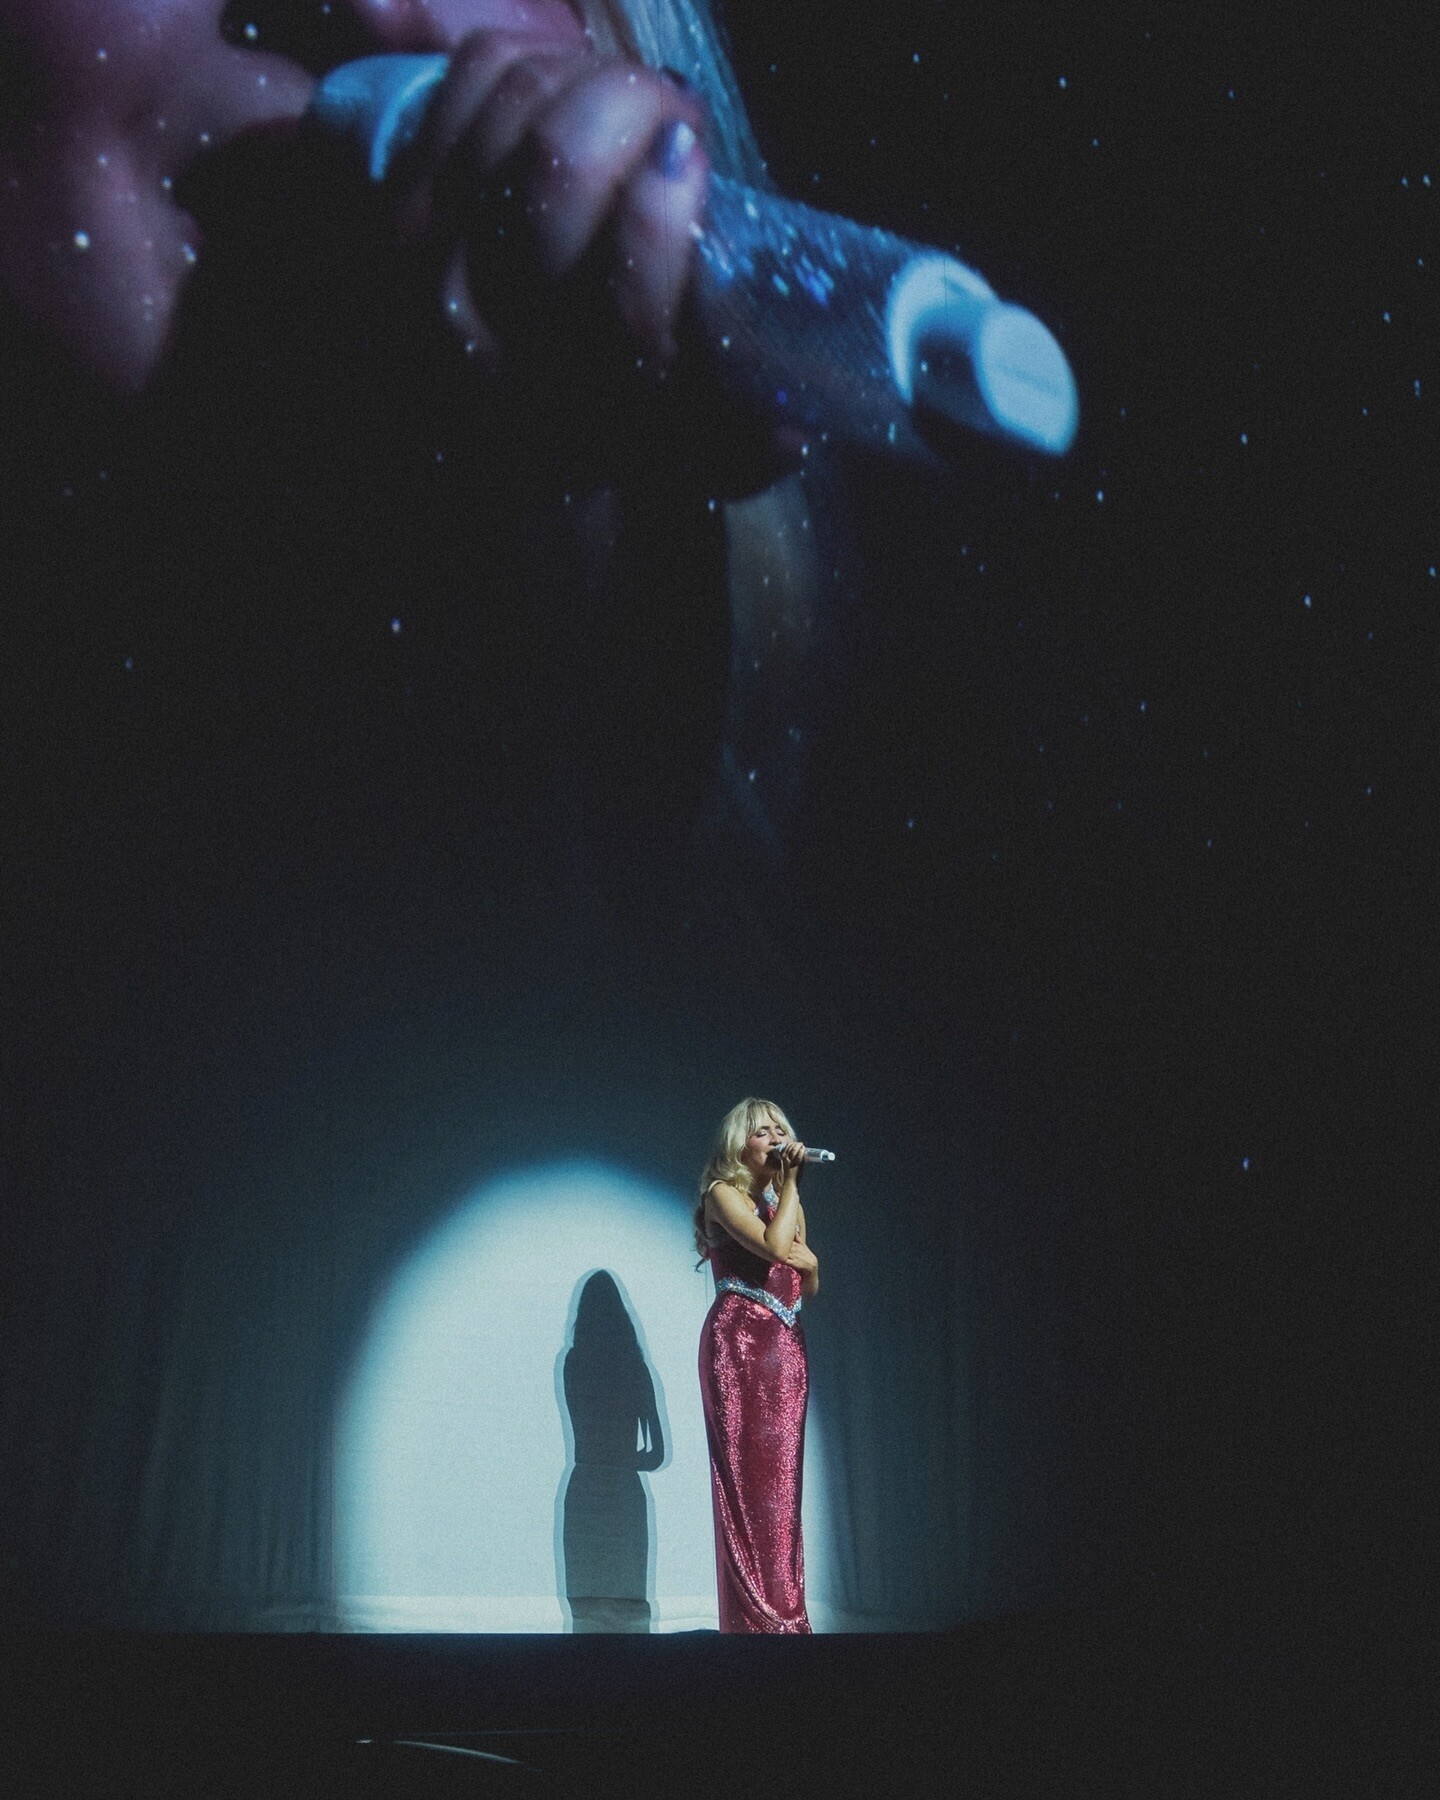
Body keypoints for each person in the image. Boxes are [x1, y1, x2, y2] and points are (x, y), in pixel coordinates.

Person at [695, 1097, 820, 1633]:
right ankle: (753, 1622)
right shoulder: (722, 1194)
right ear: (739, 1144)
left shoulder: (784, 1199)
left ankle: (787, 1611)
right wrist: (790, 1186)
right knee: (747, 1486)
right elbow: (774, 1248)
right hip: (740, 1345)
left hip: (786, 1348)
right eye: (762, 1131)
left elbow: (803, 1280)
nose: (775, 1138)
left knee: (783, 1485)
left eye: (780, 1130)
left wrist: (814, 1266)